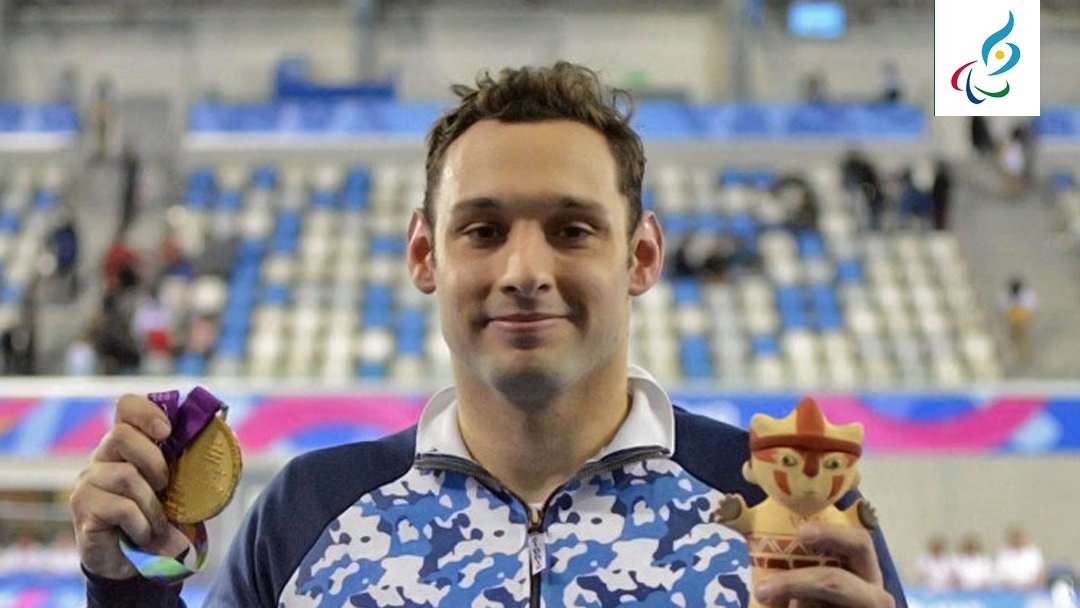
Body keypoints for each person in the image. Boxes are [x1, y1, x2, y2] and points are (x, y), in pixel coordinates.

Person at [70, 62, 907, 607]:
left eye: (573, 230)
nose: (524, 269)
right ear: (424, 254)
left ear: (643, 255)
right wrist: (127, 585)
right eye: (482, 230)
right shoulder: (309, 511)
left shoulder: (777, 510)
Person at [999, 277, 1037, 366]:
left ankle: (1026, 355)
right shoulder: (1005, 295)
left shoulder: (1026, 295)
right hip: (1012, 320)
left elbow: (1031, 307)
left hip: (1022, 319)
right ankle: (1019, 355)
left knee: (1024, 337)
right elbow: (1003, 308)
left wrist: (1029, 319)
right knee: (1014, 338)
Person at [994, 526, 1046, 590]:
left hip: (1031, 589)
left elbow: (1041, 574)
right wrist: (1012, 587)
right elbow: (998, 576)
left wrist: (1033, 585)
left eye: (1021, 537)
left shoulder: (1034, 553)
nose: (1018, 540)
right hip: (1009, 590)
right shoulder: (1003, 555)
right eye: (1016, 538)